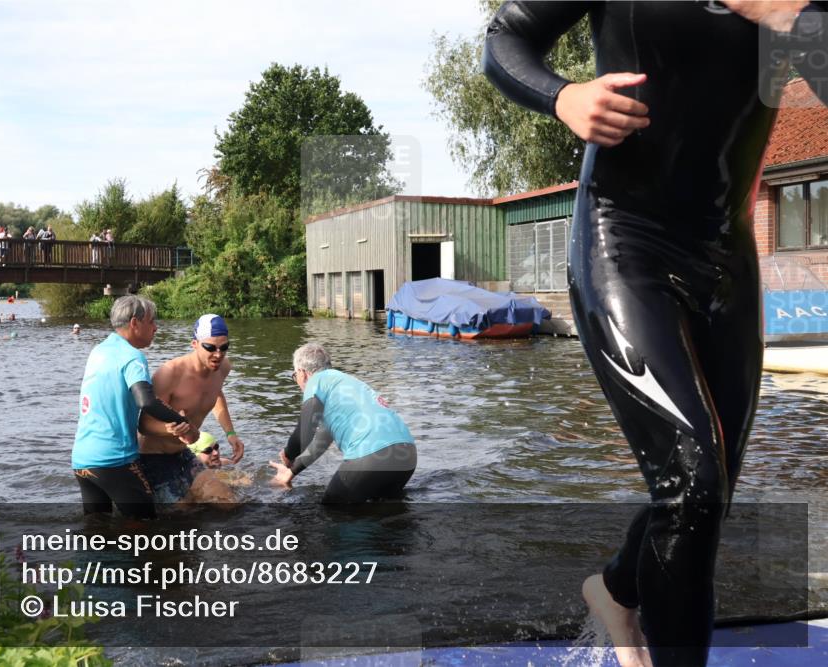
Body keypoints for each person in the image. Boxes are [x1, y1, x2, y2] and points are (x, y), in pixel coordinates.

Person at [482, 2, 827, 666]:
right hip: (625, 237)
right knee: (693, 483)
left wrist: (777, 11)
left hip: (726, 257)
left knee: (708, 492)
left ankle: (614, 589)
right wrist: (564, 97)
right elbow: (506, 38)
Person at [71, 295, 197, 519]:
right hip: (114, 460)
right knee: (145, 525)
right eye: (151, 321)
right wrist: (183, 423)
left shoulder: (98, 351)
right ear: (134, 323)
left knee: (97, 527)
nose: (156, 328)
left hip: (82, 458)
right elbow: (146, 400)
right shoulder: (132, 356)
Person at [269, 343, 416, 503]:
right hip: (406, 454)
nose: (297, 381)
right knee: (383, 512)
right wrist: (292, 471)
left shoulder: (316, 381)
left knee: (333, 509)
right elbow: (321, 441)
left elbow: (304, 432)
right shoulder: (345, 384)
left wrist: (289, 454)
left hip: (373, 454)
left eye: (294, 376)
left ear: (303, 373)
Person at [138, 314, 242, 504]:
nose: (218, 354)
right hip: (152, 457)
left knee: (228, 503)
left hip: (183, 453)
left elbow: (216, 393)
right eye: (210, 347)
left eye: (224, 347)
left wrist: (230, 433)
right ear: (195, 344)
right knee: (182, 515)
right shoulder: (170, 373)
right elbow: (144, 425)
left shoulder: (223, 367)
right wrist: (169, 429)